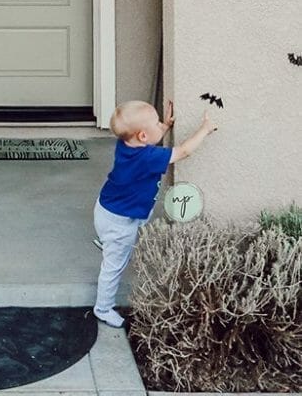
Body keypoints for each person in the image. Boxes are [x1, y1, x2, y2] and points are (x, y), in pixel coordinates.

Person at [93, 99, 217, 328]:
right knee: (114, 265)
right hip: (120, 222)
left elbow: (149, 136)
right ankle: (103, 308)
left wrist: (164, 127)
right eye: (156, 124)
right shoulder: (147, 158)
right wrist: (204, 129)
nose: (160, 125)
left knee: (124, 233)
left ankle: (107, 241)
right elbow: (184, 151)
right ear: (142, 137)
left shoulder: (126, 145)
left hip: (107, 209)